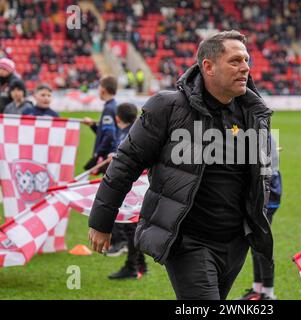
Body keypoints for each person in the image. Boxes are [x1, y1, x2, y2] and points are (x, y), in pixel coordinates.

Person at [88, 30, 273, 300]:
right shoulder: (168, 107)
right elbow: (126, 163)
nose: (245, 68)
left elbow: (259, 177)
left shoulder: (253, 114)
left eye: (246, 60)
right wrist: (101, 221)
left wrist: (256, 222)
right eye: (235, 61)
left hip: (235, 243)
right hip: (188, 241)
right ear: (208, 67)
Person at [82, 75, 127, 255]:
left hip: (110, 159)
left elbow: (109, 135)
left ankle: (119, 240)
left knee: (108, 200)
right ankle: (120, 240)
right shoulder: (112, 107)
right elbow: (107, 131)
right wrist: (94, 126)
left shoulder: (109, 109)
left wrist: (97, 155)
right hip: (113, 157)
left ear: (102, 89)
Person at [107, 102, 148, 280]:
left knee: (131, 226)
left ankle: (132, 267)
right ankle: (140, 265)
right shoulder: (136, 129)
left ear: (117, 118)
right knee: (132, 225)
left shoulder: (130, 133)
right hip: (136, 184)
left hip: (133, 185)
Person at [238, 136, 282, 300]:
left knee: (262, 244)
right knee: (254, 244)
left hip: (266, 198)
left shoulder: (261, 133)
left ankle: (269, 294)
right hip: (256, 196)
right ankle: (258, 290)